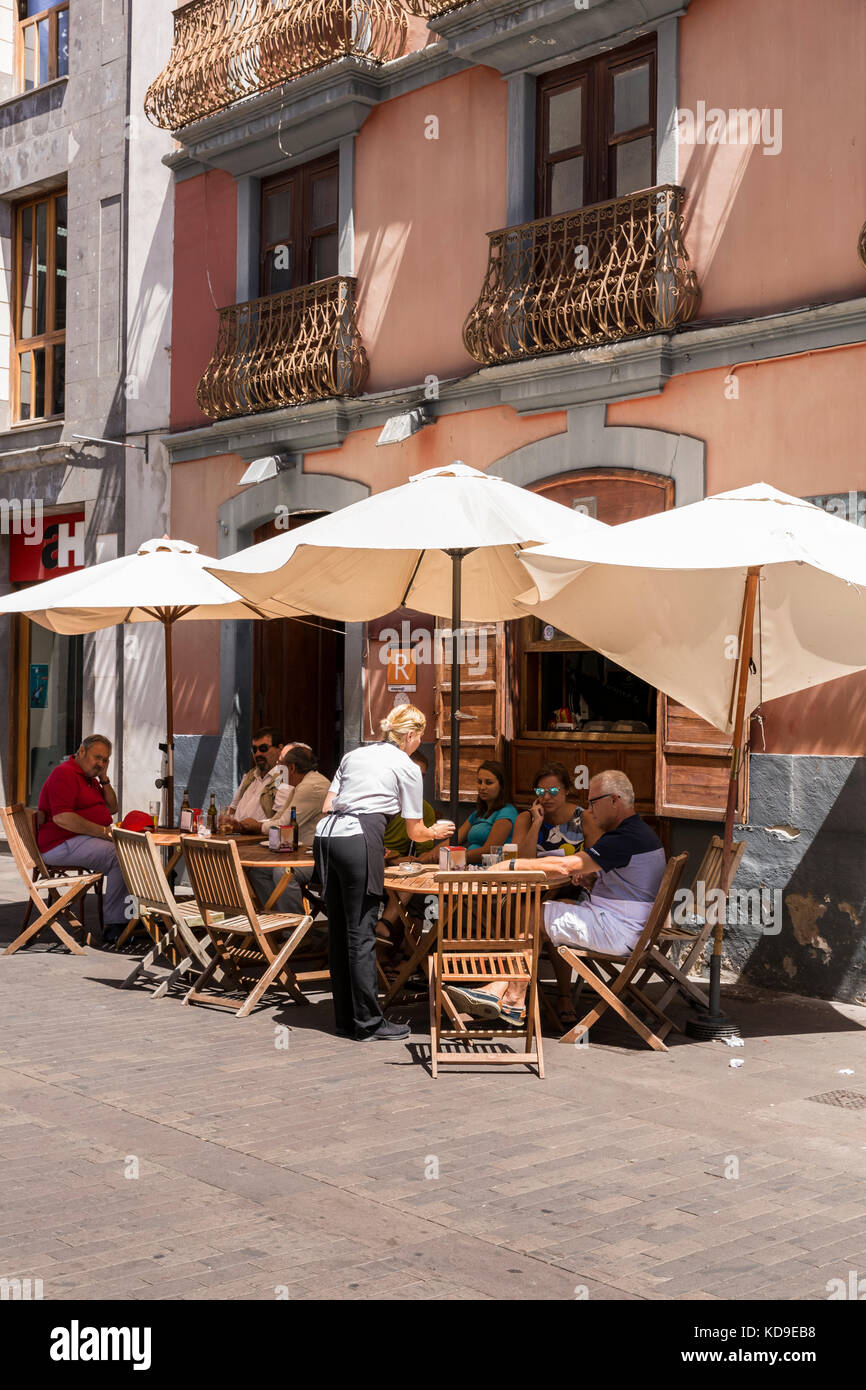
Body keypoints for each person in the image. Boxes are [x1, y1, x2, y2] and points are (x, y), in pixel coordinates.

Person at [446, 770, 665, 1030]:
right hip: (631, 925)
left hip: (620, 931)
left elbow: (565, 865)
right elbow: (626, 881)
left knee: (528, 914)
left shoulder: (624, 837)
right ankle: (502, 989)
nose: (591, 810)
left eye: (594, 802)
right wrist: (594, 881)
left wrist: (512, 866)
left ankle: (512, 995)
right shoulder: (637, 832)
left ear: (614, 800)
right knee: (544, 911)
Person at [314, 705, 454, 1041]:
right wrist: (437, 831)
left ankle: (345, 1020)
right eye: (418, 739)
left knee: (339, 931)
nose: (416, 745)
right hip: (359, 837)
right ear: (409, 735)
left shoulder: (353, 755)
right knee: (361, 932)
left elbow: (327, 805)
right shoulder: (406, 766)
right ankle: (368, 1023)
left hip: (327, 837)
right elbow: (415, 831)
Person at [37, 734, 129, 946]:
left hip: (80, 839)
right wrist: (103, 832)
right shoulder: (65, 773)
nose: (100, 763)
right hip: (60, 843)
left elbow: (113, 808)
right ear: (81, 752)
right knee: (119, 856)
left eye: (105, 759)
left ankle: (135, 917)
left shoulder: (90, 778)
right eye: (97, 757)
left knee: (134, 850)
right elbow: (63, 818)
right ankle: (116, 925)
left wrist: (104, 778)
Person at [250, 745, 331, 914]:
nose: (279, 772)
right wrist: (256, 824)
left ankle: (294, 929)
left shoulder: (311, 786)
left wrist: (256, 826)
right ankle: (276, 920)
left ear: (292, 768)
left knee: (284, 873)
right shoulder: (302, 784)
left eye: (282, 766)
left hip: (317, 858)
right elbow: (279, 817)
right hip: (299, 852)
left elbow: (284, 824)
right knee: (259, 871)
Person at [513, 761, 588, 860]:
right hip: (538, 875)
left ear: (567, 790)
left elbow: (595, 866)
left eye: (553, 791)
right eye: (541, 791)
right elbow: (520, 862)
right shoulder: (525, 819)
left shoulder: (584, 818)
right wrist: (536, 824)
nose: (546, 797)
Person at [224, 726, 287, 832]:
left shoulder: (282, 776)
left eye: (263, 748)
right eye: (254, 749)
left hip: (258, 840)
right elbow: (233, 808)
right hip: (236, 836)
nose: (257, 754)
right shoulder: (250, 775)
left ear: (280, 749)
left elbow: (280, 818)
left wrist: (254, 826)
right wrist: (226, 819)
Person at [455, 760, 518, 865]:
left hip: (488, 872)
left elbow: (489, 850)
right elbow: (454, 840)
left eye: (489, 783)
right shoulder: (478, 814)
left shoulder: (507, 812)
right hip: (468, 867)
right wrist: (428, 856)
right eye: (479, 782)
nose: (482, 787)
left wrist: (453, 858)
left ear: (502, 786)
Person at [383, 751, 436, 860]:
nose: (418, 780)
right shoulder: (380, 799)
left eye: (422, 776)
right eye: (413, 775)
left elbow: (424, 853)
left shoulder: (424, 809)